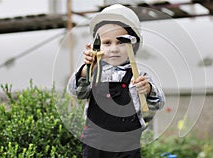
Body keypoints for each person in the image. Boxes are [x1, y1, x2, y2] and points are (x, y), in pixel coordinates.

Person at [67, 4, 165, 158]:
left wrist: (148, 90)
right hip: (95, 142)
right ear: (97, 46)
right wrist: (86, 70)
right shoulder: (93, 71)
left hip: (127, 143)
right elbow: (76, 92)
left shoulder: (139, 76)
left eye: (121, 42)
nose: (114, 49)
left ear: (133, 45)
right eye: (107, 43)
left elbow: (157, 104)